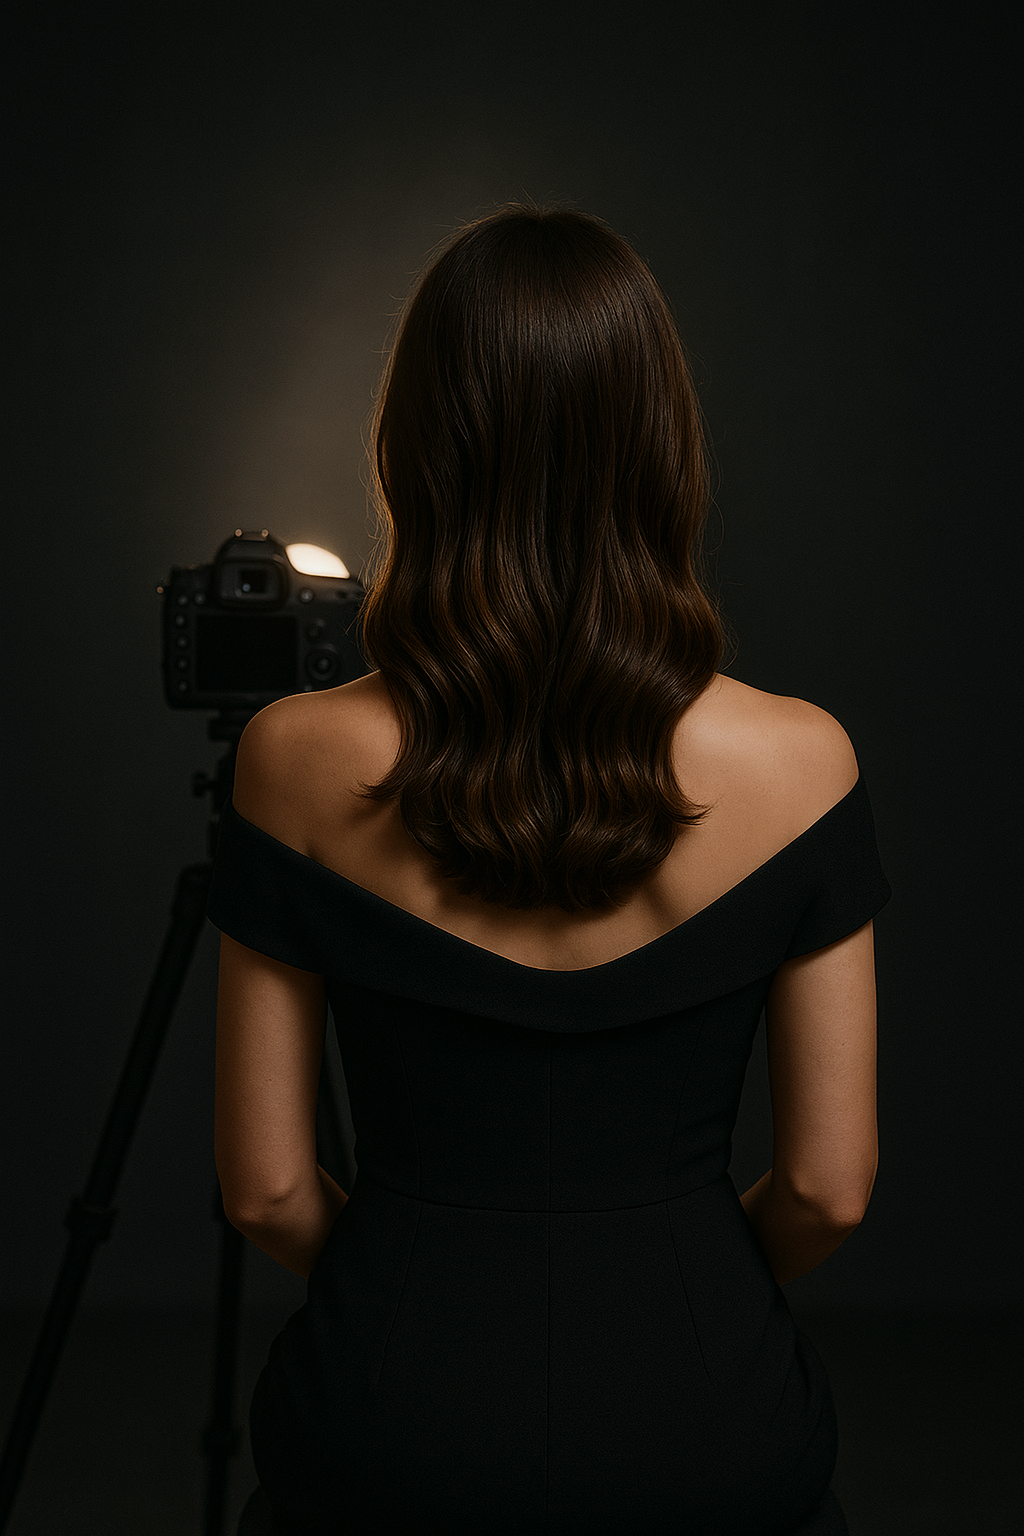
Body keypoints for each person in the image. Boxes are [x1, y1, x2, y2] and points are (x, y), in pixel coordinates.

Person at [209, 204, 890, 1536]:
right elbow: (828, 1187)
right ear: (662, 448)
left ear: (416, 448)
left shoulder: (290, 759)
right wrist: (679, 1286)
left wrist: (421, 1288)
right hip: (711, 1418)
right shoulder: (805, 762)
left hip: (388, 1420)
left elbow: (267, 1190)